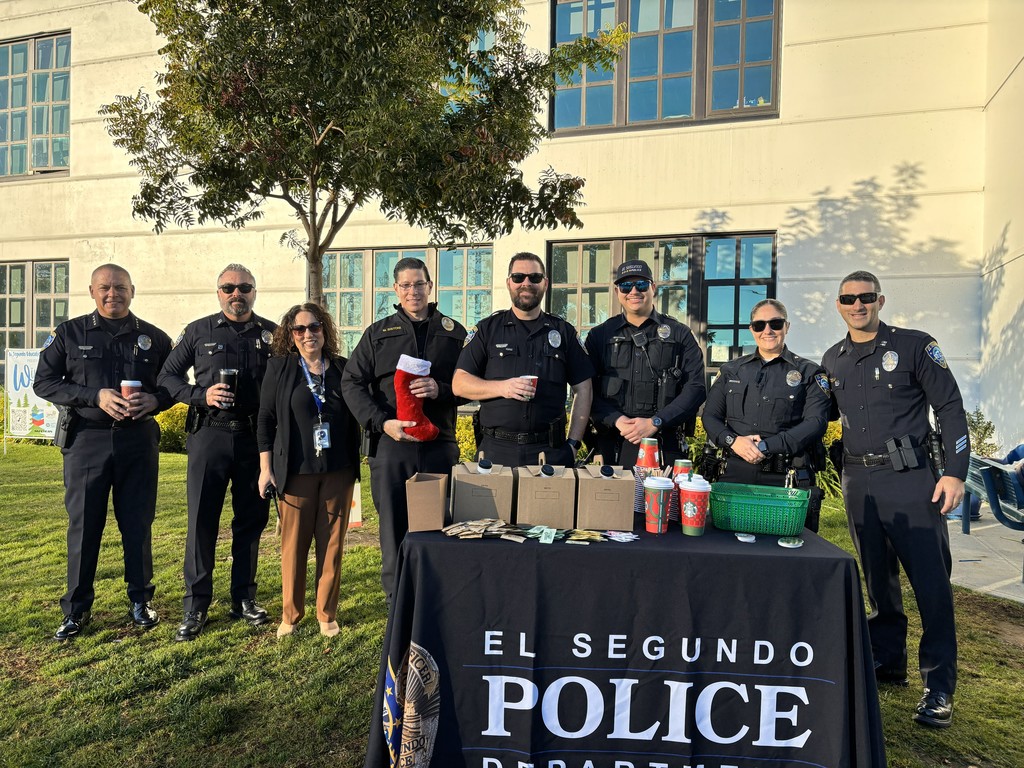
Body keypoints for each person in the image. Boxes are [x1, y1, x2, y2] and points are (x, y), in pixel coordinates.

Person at [821, 270, 968, 729]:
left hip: (910, 480)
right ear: (839, 304)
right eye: (849, 298)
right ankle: (889, 662)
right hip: (858, 481)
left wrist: (955, 473)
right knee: (877, 580)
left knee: (930, 584)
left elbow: (950, 408)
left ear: (880, 300)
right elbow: (815, 415)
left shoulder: (915, 345)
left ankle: (939, 686)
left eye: (866, 297)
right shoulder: (833, 359)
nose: (858, 305)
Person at [34, 264, 173, 640]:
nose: (113, 293)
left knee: (138, 523)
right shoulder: (69, 333)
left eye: (120, 287)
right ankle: (77, 611)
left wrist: (154, 401)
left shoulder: (154, 338)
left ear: (133, 290)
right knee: (84, 526)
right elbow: (44, 382)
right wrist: (93, 395)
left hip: (137, 441)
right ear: (92, 291)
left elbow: (171, 386)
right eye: (105, 288)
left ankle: (141, 601)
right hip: (87, 441)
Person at [158, 264, 276, 641]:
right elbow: (167, 378)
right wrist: (200, 395)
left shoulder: (273, 334)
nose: (236, 293)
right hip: (210, 434)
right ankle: (196, 605)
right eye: (228, 287)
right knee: (202, 521)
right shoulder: (198, 331)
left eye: (244, 287)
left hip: (255, 441)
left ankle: (243, 597)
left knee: (251, 520)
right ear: (219, 292)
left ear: (254, 291)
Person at [340, 257, 466, 603]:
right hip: (392, 445)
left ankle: (436, 594)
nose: (413, 291)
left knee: (439, 523)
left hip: (439, 443)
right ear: (396, 290)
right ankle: (397, 598)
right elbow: (351, 382)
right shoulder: (378, 335)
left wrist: (441, 389)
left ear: (430, 286)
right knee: (393, 525)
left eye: (419, 283)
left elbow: (470, 385)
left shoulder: (454, 333)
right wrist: (382, 422)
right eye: (406, 285)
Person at [257, 304, 360, 638]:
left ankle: (326, 613)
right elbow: (265, 419)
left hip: (338, 470)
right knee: (294, 545)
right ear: (290, 334)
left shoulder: (343, 369)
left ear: (324, 329)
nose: (307, 334)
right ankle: (291, 614)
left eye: (313, 327)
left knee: (332, 544)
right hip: (295, 471)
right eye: (298, 329)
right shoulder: (280, 368)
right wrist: (265, 468)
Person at [453, 252, 594, 467]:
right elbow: (459, 383)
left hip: (550, 453)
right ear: (509, 283)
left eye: (534, 278)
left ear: (545, 283)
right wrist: (503, 388)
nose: (526, 283)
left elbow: (584, 388)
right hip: (495, 452)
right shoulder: (487, 330)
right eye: (518, 277)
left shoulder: (563, 332)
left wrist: (573, 444)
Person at [701, 299, 829, 530]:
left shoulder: (809, 372)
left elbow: (816, 422)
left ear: (787, 327)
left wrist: (766, 446)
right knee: (727, 547)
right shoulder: (732, 370)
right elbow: (710, 417)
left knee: (788, 550)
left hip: (785, 477)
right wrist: (733, 441)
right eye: (759, 325)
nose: (767, 330)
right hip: (734, 473)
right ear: (751, 329)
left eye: (775, 323)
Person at [585, 260, 706, 469]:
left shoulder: (680, 334)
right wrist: (616, 420)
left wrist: (655, 422)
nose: (633, 291)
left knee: (663, 503)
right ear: (617, 291)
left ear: (653, 288)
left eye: (641, 285)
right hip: (614, 444)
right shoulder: (599, 336)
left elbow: (695, 388)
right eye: (626, 286)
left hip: (664, 444)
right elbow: (585, 389)